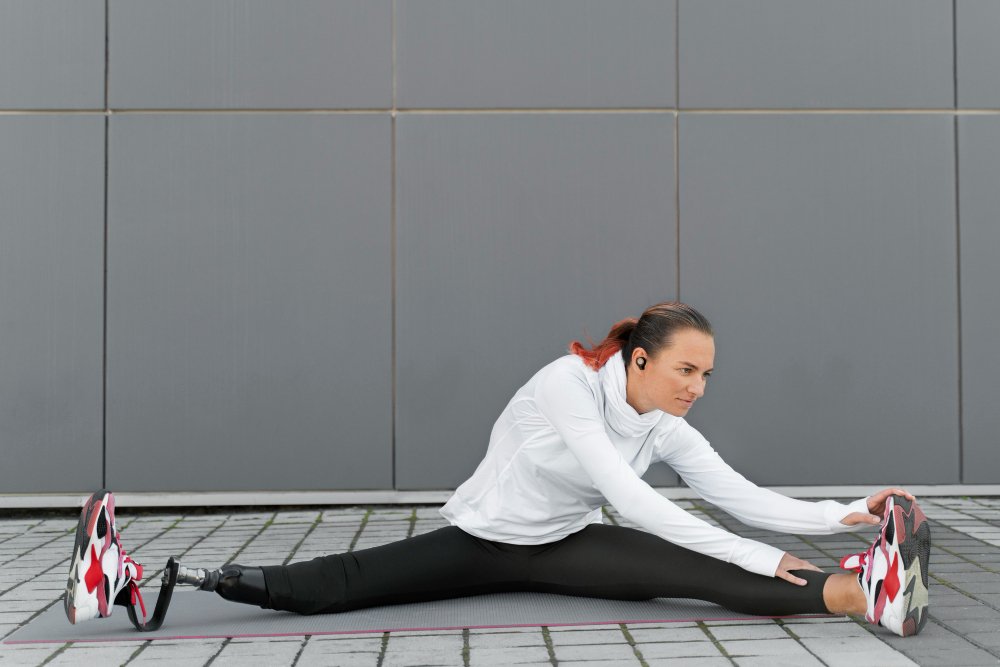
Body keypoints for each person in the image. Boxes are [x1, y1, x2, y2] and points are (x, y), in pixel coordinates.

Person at [64, 302, 931, 637]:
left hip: (562, 545)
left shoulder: (660, 420)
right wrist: (753, 550)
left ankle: (868, 590)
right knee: (335, 583)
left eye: (707, 375)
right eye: (686, 371)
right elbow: (630, 496)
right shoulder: (565, 385)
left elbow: (729, 492)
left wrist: (842, 512)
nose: (698, 387)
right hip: (481, 542)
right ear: (636, 360)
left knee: (699, 573)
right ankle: (140, 580)